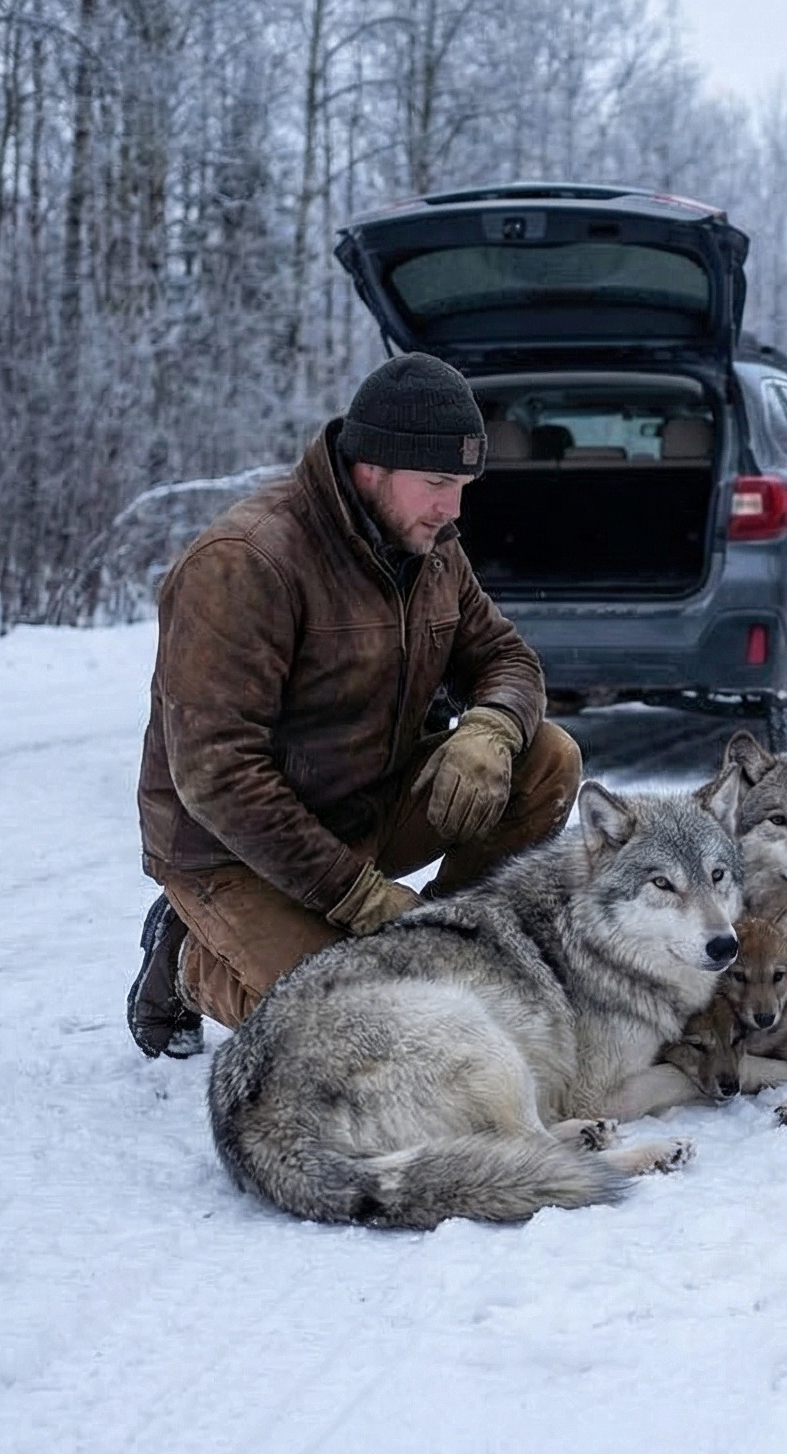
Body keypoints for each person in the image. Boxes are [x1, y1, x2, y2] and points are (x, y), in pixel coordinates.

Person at [127, 351, 582, 1057]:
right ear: (371, 467)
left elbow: (507, 658)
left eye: (461, 485)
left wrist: (489, 730)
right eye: (437, 483)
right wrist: (365, 901)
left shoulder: (431, 550)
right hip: (234, 851)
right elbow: (217, 776)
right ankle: (186, 963)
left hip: (363, 810)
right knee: (352, 1025)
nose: (453, 508)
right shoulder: (245, 561)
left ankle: (444, 951)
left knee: (546, 755)